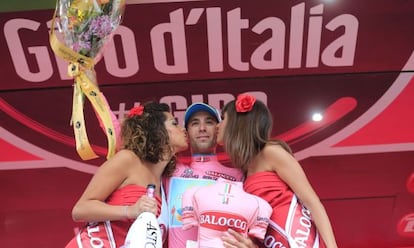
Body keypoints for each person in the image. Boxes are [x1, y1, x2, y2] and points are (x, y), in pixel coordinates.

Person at [217, 94, 338, 248]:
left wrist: (332, 246)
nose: (217, 125)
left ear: (237, 123)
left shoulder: (271, 152)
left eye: (223, 119)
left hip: (300, 240)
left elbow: (312, 202)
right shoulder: (243, 172)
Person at [65, 102, 188, 247]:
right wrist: (129, 211)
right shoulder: (128, 159)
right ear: (156, 130)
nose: (183, 129)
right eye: (174, 123)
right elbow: (80, 209)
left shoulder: (166, 182)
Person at [166, 102, 244, 248]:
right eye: (195, 123)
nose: (202, 128)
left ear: (218, 129)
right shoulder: (170, 171)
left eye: (209, 122)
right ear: (186, 132)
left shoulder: (238, 176)